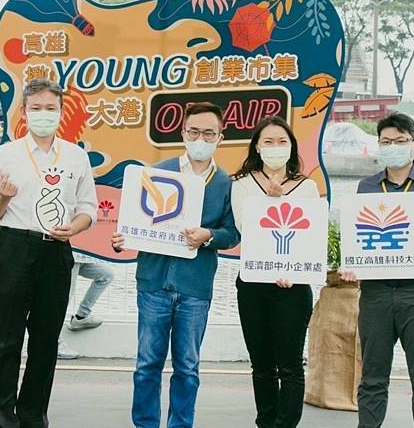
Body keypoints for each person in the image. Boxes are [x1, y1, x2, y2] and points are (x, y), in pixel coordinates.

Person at [112, 102, 239, 428]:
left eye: (208, 133)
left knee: (187, 367)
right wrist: (123, 238)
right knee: (147, 364)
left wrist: (208, 235)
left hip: (195, 287)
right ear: (183, 133)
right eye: (194, 131)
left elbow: (233, 233)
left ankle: (180, 424)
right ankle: (145, 424)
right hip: (154, 283)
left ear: (220, 137)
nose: (200, 139)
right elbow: (132, 223)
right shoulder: (156, 173)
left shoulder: (226, 184)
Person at [0, 78, 97, 428]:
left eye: (51, 108)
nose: (43, 114)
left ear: (61, 111)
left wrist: (74, 228)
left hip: (56, 250)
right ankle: (3, 420)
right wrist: (3, 196)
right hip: (15, 246)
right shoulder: (4, 155)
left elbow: (88, 208)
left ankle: (33, 417)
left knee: (46, 341)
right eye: (36, 108)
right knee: (5, 339)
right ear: (24, 111)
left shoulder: (76, 156)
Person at [340, 112, 414, 428]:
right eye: (386, 142)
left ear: (413, 144)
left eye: (400, 141)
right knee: (372, 376)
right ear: (378, 145)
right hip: (375, 292)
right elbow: (358, 239)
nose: (393, 147)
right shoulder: (367, 186)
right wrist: (352, 266)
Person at [230, 116, 319, 428]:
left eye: (282, 141)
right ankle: (266, 421)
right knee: (262, 364)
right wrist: (270, 200)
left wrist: (293, 270)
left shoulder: (307, 186)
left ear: (292, 146)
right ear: (257, 146)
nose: (275, 147)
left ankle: (286, 424)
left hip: (293, 285)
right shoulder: (241, 183)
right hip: (254, 283)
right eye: (268, 141)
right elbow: (244, 227)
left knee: (291, 364)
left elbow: (312, 235)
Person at [57, 252, 114, 359]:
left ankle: (81, 317)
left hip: (82, 256)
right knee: (64, 298)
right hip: (69, 255)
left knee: (106, 275)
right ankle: (55, 343)